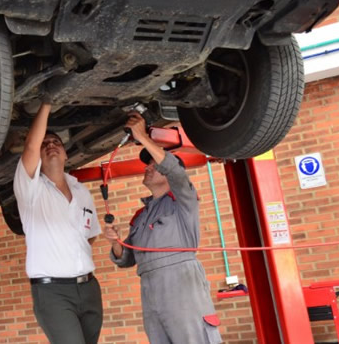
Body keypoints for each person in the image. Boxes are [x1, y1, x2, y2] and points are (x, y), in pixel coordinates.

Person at [103, 112, 222, 343]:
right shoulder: (141, 216)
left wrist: (143, 137)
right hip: (150, 289)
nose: (146, 169)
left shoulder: (183, 200)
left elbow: (176, 173)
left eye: (153, 165)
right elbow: (127, 259)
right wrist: (115, 243)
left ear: (166, 173)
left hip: (181, 281)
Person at [13, 102, 103, 344]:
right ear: (39, 156)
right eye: (45, 145)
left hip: (89, 287)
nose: (51, 146)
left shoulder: (81, 191)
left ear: (65, 154)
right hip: (53, 293)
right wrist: (46, 103)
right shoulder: (30, 189)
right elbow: (31, 146)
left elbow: (91, 234)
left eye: (56, 143)